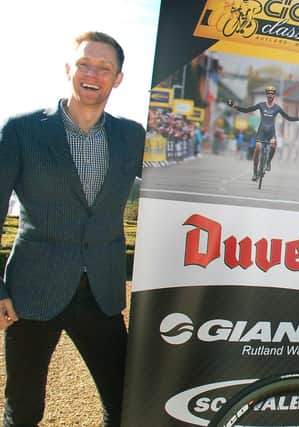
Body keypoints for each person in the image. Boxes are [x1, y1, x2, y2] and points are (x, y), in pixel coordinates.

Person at [0, 31, 145, 427]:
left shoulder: (133, 137)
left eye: (104, 68)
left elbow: (173, 188)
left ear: (117, 78)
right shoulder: (20, 130)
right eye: (84, 64)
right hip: (31, 293)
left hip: (100, 293)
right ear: (69, 69)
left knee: (124, 404)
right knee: (24, 409)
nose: (92, 74)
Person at [227, 86, 299, 180]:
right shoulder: (261, 105)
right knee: (258, 148)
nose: (270, 95)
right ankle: (255, 172)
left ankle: (268, 162)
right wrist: (234, 106)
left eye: (271, 94)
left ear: (274, 95)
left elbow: (288, 117)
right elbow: (247, 110)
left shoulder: (277, 108)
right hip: (261, 131)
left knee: (273, 145)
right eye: (268, 93)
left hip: (271, 132)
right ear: (266, 95)